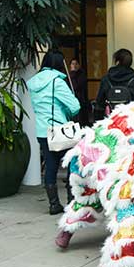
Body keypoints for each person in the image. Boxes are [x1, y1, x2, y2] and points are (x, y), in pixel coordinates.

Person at [27, 50, 80, 215]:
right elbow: (75, 106)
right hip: (60, 131)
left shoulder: (33, 82)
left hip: (43, 131)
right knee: (72, 163)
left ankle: (54, 204)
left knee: (50, 166)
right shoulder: (57, 82)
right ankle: (72, 202)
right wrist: (64, 111)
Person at [94, 49, 134, 120]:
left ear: (117, 62)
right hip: (132, 121)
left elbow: (99, 103)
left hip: (111, 119)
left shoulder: (106, 79)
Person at [69, 58, 89, 126]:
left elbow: (76, 86)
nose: (74, 65)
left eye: (76, 64)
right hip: (71, 100)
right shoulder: (68, 76)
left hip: (80, 99)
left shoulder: (82, 75)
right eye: (72, 64)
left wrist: (73, 73)